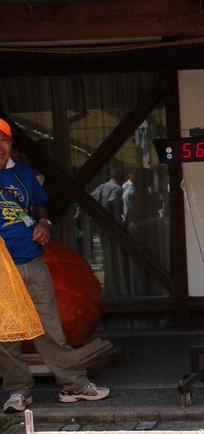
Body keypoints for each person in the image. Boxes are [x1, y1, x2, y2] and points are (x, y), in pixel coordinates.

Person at [0, 118, 110, 413]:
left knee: (51, 327)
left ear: (11, 145)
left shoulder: (22, 173)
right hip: (1, 268)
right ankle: (18, 391)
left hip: (32, 260)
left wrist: (45, 223)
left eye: (4, 140)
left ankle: (74, 384)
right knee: (6, 334)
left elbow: (39, 207)